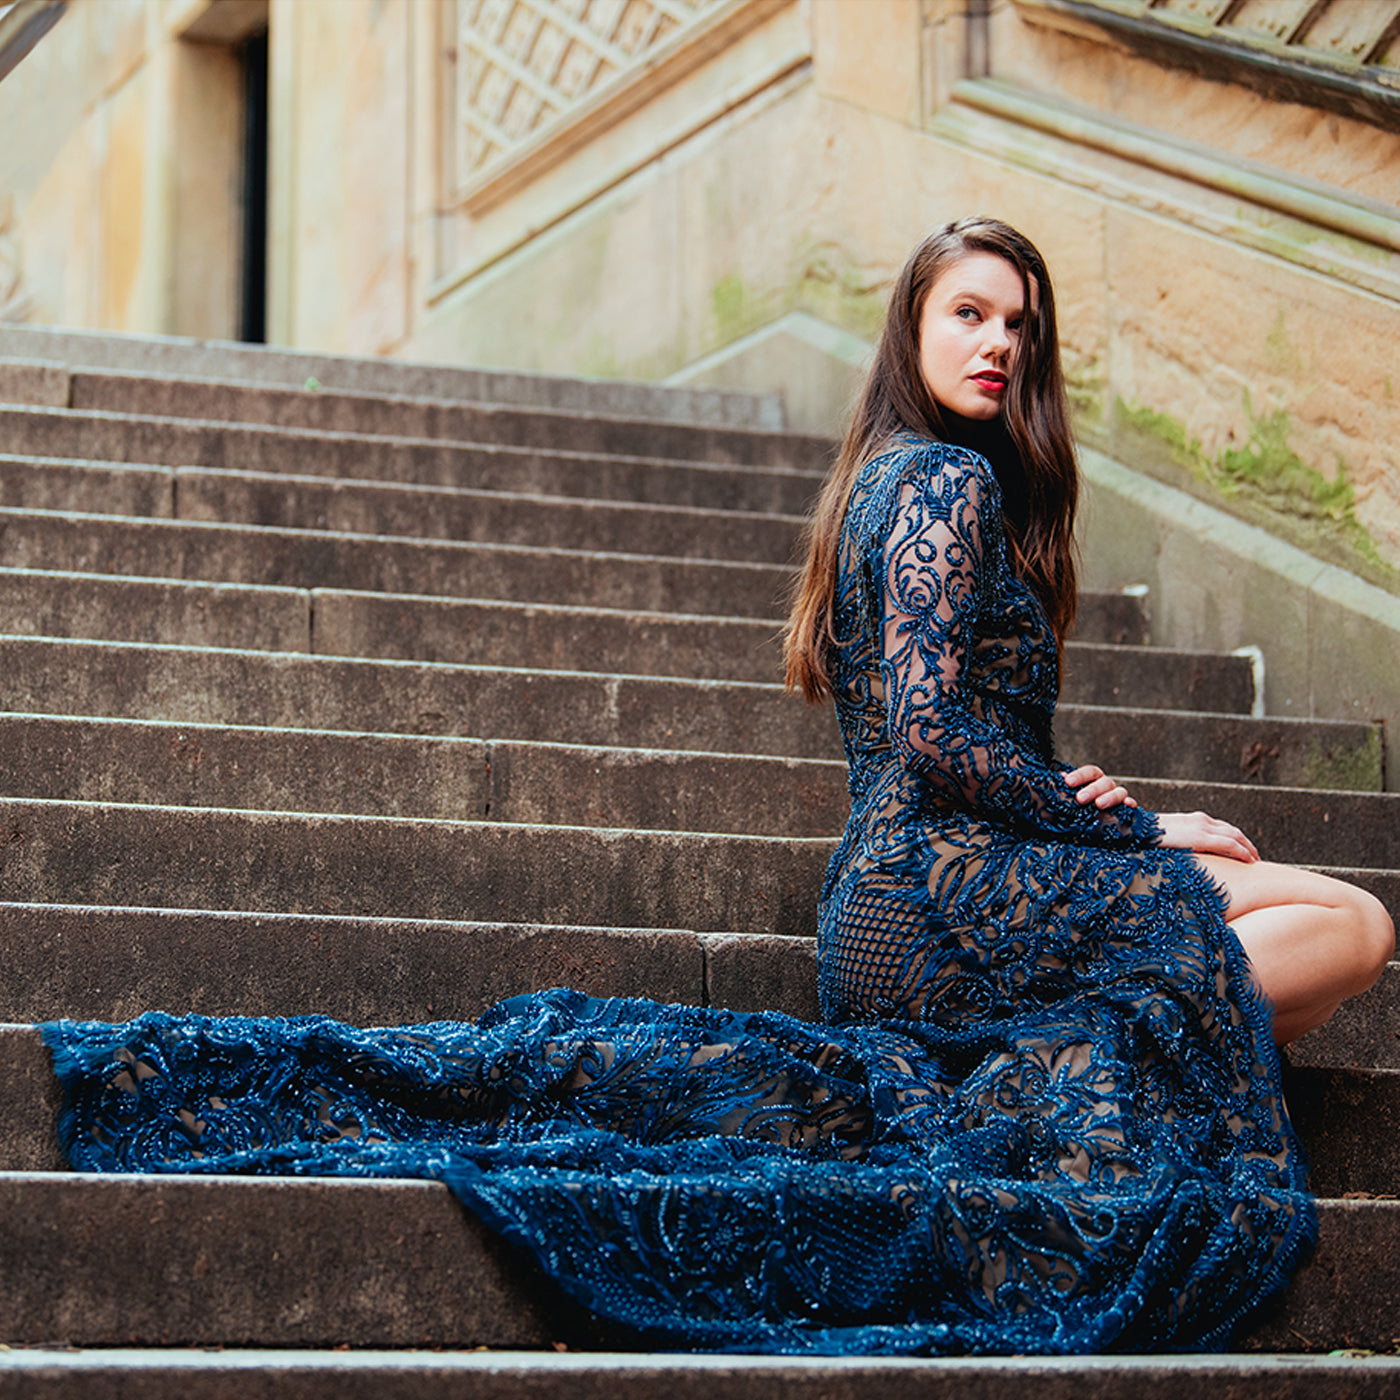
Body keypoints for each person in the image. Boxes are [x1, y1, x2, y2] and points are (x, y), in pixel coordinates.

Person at [42, 218, 1392, 1357]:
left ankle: (1029, 1068)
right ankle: (1026, 1092)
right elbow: (927, 732)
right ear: (909, 335)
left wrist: (1057, 785)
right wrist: (1134, 820)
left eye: (1020, 325)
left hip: (909, 902)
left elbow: (939, 723)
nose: (996, 344)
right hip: (942, 891)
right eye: (967, 314)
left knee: (1318, 943)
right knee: (1351, 929)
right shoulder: (942, 481)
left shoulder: (890, 487)